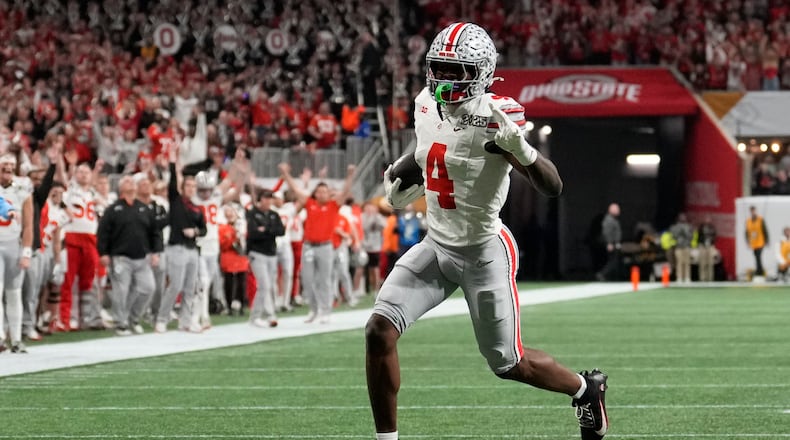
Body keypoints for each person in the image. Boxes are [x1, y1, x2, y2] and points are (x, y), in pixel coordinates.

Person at [365, 22, 608, 440]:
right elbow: (425, 152)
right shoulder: (425, 102)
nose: (443, 80)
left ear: (480, 72)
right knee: (378, 330)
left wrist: (522, 149)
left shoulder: (496, 118)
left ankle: (586, 390)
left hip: (483, 252)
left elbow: (553, 186)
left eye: (455, 71)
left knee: (510, 364)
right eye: (439, 68)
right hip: (436, 245)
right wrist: (402, 175)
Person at [278, 162, 356, 324]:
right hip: (309, 245)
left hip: (325, 246)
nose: (321, 194)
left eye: (324, 192)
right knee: (307, 279)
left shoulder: (333, 205)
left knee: (324, 280)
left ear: (329, 194)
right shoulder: (310, 203)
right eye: (319, 191)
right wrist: (285, 174)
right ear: (315, 193)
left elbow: (345, 191)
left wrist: (350, 176)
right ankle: (314, 310)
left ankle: (326, 310)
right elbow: (295, 189)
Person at [97, 176, 162, 336]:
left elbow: (155, 232)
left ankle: (133, 318)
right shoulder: (113, 209)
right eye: (126, 181)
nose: (131, 183)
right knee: (121, 291)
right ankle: (121, 323)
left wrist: (156, 252)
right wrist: (103, 252)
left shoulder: (144, 208)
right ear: (120, 188)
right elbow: (103, 232)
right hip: (120, 257)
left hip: (142, 256)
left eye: (132, 181)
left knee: (148, 288)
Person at [154, 145, 207, 333]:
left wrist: (196, 232)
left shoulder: (197, 208)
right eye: (188, 185)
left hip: (192, 249)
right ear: (183, 187)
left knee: (190, 287)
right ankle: (162, 318)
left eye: (194, 186)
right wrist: (172, 162)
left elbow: (204, 229)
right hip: (176, 247)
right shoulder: (176, 202)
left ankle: (185, 320)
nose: (191, 188)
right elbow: (172, 183)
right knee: (175, 284)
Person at [0, 153, 34, 353]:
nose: (8, 168)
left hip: (14, 244)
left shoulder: (22, 188)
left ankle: (16, 339)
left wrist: (27, 252)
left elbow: (29, 224)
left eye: (11, 165)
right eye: (4, 164)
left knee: (14, 293)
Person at [246, 189, 285, 328]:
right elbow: (253, 233)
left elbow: (281, 230)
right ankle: (255, 316)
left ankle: (269, 313)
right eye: (265, 198)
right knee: (264, 285)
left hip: (271, 253)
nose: (268, 201)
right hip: (257, 253)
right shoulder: (252, 214)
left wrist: (266, 230)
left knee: (270, 285)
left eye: (270, 198)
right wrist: (270, 231)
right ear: (260, 199)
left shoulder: (274, 214)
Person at [219, 204, 249, 315]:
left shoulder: (242, 225)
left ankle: (241, 304)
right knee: (229, 282)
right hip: (229, 257)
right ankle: (229, 305)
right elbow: (222, 244)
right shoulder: (223, 227)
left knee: (241, 282)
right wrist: (232, 240)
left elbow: (246, 242)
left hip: (240, 257)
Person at [361, 201, 387, 294]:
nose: (369, 210)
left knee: (375, 267)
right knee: (365, 268)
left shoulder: (378, 217)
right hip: (364, 245)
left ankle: (376, 289)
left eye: (371, 208)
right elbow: (363, 227)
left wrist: (375, 216)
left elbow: (384, 225)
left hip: (375, 247)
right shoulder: (362, 216)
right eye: (367, 208)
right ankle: (368, 288)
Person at [596, 203, 622, 282]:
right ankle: (602, 274)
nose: (619, 210)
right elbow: (606, 232)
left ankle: (607, 276)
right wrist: (609, 243)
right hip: (611, 244)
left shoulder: (613, 220)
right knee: (613, 262)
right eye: (617, 209)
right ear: (611, 210)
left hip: (614, 244)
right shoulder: (609, 220)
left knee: (614, 261)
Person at [669, 213, 694, 283]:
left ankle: (687, 277)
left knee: (687, 262)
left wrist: (685, 232)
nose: (682, 219)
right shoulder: (675, 227)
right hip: (679, 247)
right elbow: (673, 236)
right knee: (679, 262)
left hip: (686, 246)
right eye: (681, 217)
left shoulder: (689, 226)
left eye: (683, 217)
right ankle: (679, 277)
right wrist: (679, 232)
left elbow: (691, 237)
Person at [745, 205, 768, 278]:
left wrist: (766, 240)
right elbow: (746, 232)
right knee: (756, 256)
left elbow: (765, 230)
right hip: (753, 242)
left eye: (754, 211)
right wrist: (748, 242)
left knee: (758, 256)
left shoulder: (760, 219)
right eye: (751, 211)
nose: (753, 212)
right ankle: (759, 270)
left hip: (760, 241)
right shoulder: (748, 221)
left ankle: (759, 272)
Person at [697, 215, 717, 282]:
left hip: (710, 246)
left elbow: (715, 236)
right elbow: (698, 236)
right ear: (704, 220)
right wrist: (700, 244)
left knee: (710, 263)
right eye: (706, 219)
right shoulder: (701, 227)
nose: (707, 220)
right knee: (703, 263)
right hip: (703, 246)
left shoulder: (712, 227)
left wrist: (712, 242)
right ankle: (702, 278)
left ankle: (710, 279)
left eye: (709, 219)